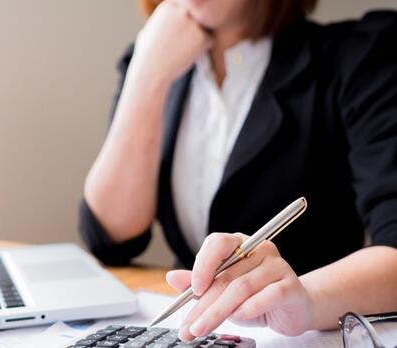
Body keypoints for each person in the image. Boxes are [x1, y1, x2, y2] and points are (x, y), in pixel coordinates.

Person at [78, 0, 397, 342]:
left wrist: (306, 298)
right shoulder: (155, 57)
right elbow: (112, 238)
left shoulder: (361, 56)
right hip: (188, 329)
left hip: (303, 336)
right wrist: (147, 74)